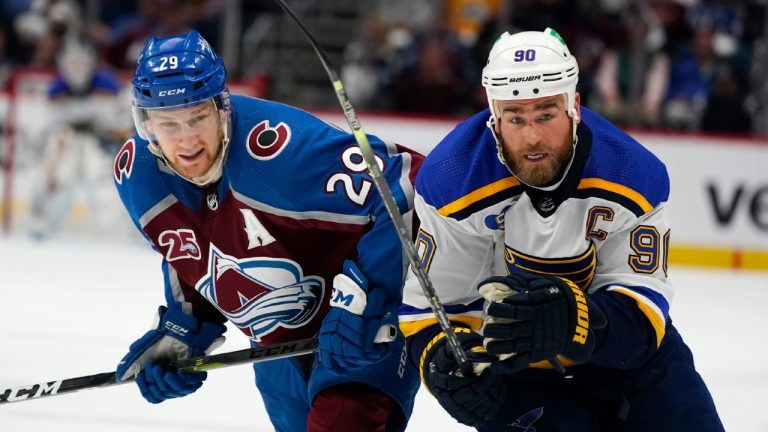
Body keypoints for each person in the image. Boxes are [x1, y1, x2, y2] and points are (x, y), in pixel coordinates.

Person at [399, 27, 724, 431]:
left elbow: (642, 322)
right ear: (493, 117)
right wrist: (442, 363)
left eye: (546, 114)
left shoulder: (633, 175)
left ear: (574, 105)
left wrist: (576, 319)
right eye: (515, 118)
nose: (532, 137)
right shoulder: (453, 181)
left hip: (626, 365)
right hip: (516, 373)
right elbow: (428, 315)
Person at [112, 30, 420, 432]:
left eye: (197, 117)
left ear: (222, 109)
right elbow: (189, 253)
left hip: (361, 333)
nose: (186, 139)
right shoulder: (137, 175)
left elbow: (407, 182)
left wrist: (369, 299)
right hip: (276, 344)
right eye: (168, 124)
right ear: (145, 122)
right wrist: (184, 327)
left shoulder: (279, 149)